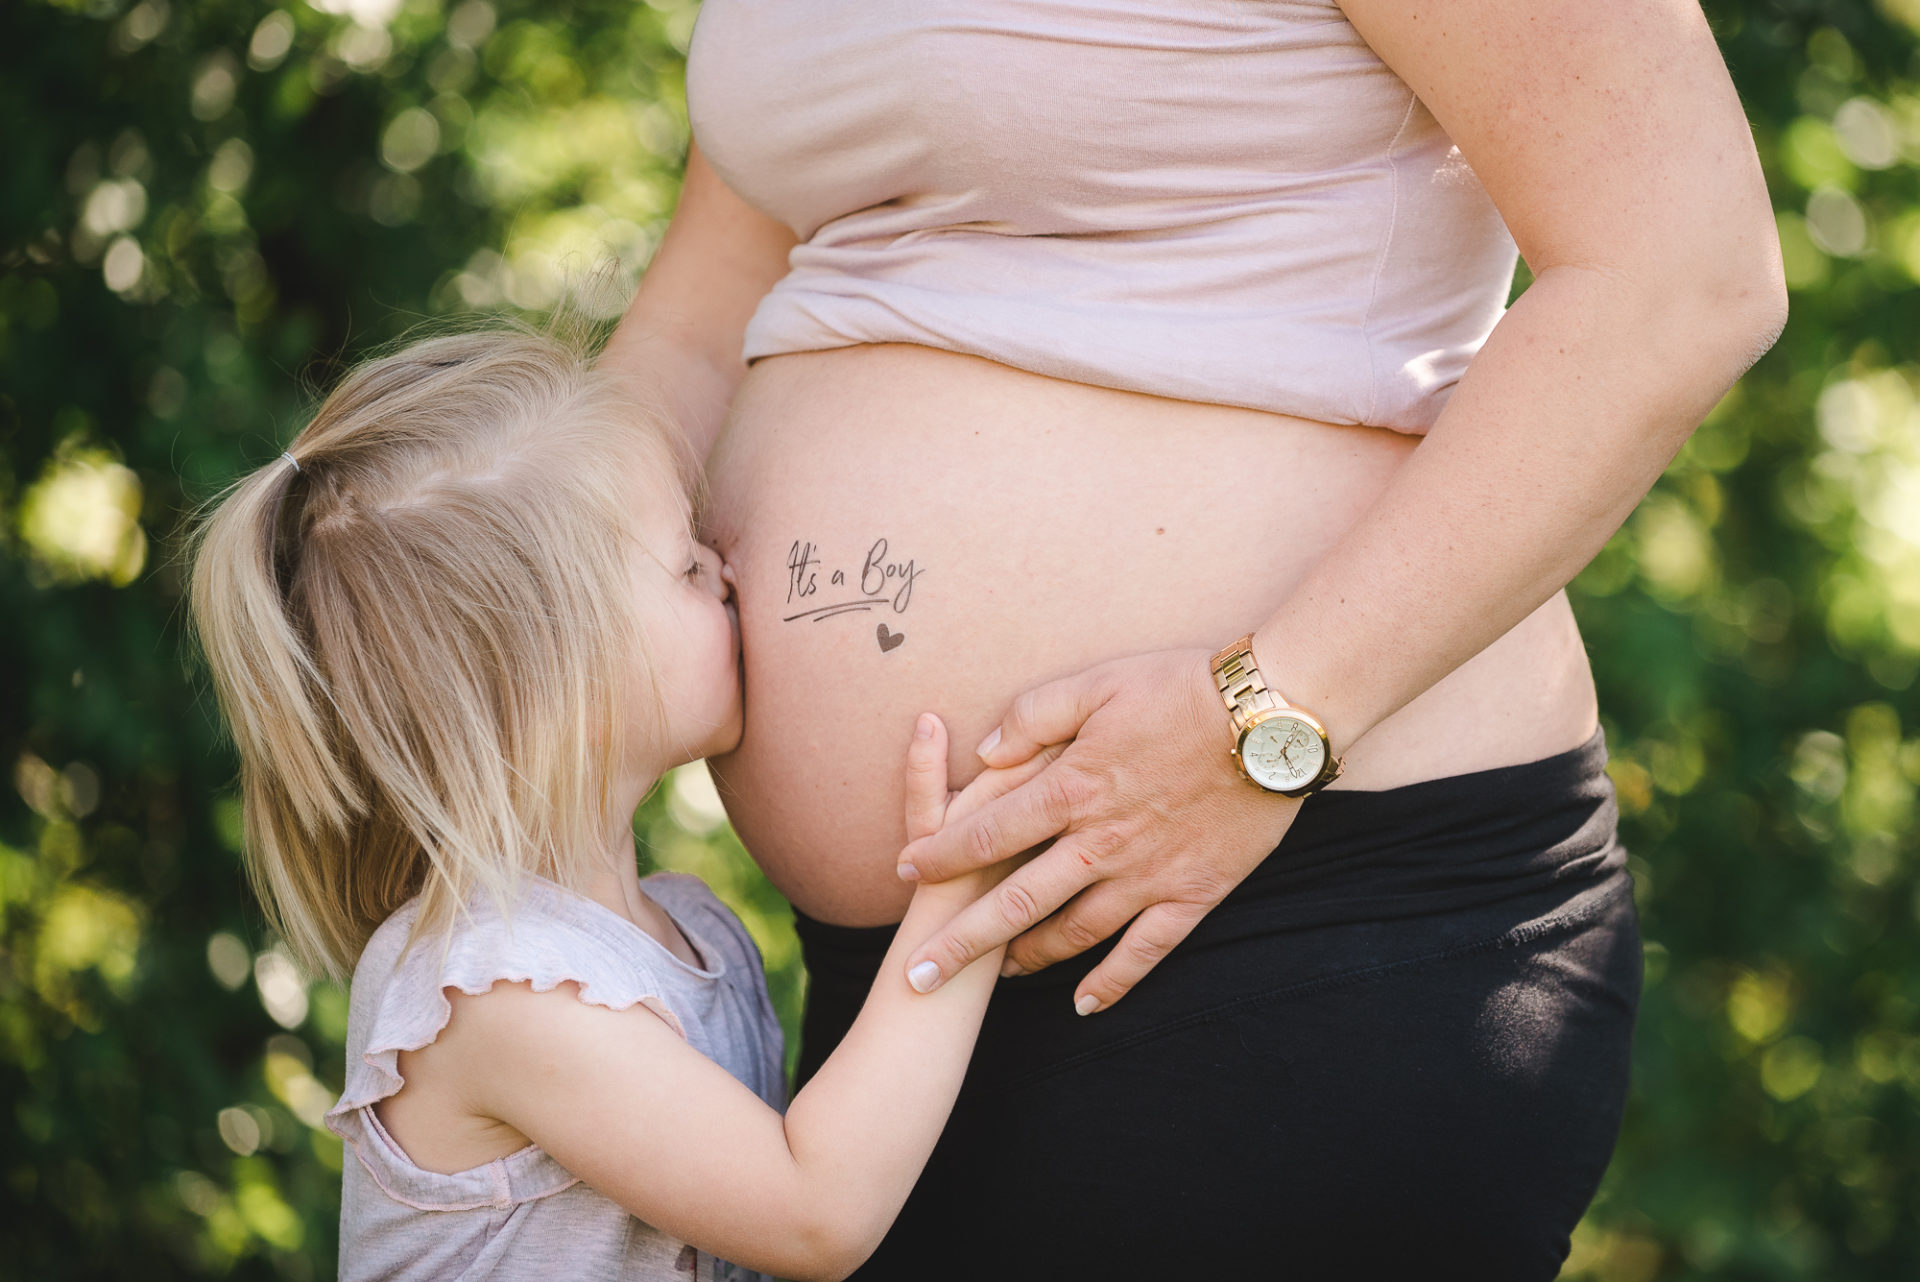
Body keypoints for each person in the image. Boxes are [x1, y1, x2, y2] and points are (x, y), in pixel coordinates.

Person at [600, 0, 1788, 1275]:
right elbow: (694, 322)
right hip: (902, 979)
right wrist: (472, 687)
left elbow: (1685, 273)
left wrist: (1263, 720)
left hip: (1300, 895)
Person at [185, 328, 1060, 1281]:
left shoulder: (688, 932)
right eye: (685, 566)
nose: (726, 574)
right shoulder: (494, 992)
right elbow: (817, 1213)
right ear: (568, 678)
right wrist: (964, 885)